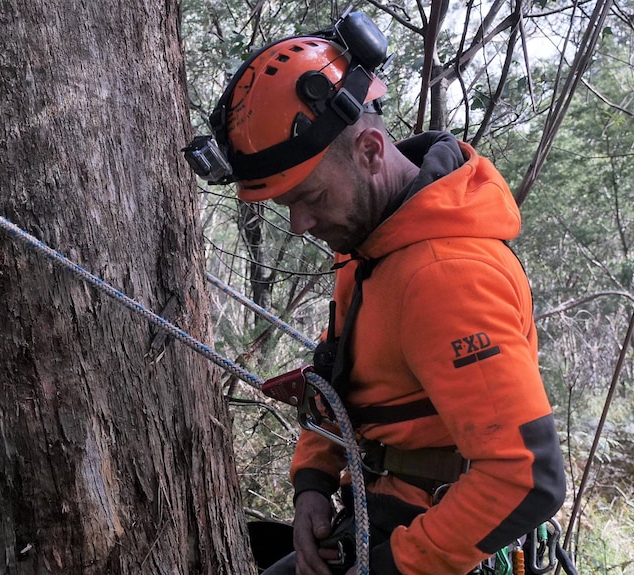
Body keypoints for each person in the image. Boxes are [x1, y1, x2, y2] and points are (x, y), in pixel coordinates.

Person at [185, 12, 566, 575]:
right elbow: (340, 375)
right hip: (379, 513)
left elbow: (527, 476)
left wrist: (389, 567)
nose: (299, 224)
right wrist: (312, 481)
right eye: (286, 204)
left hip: (432, 538)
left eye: (308, 196)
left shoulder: (445, 274)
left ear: (368, 150)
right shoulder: (375, 248)